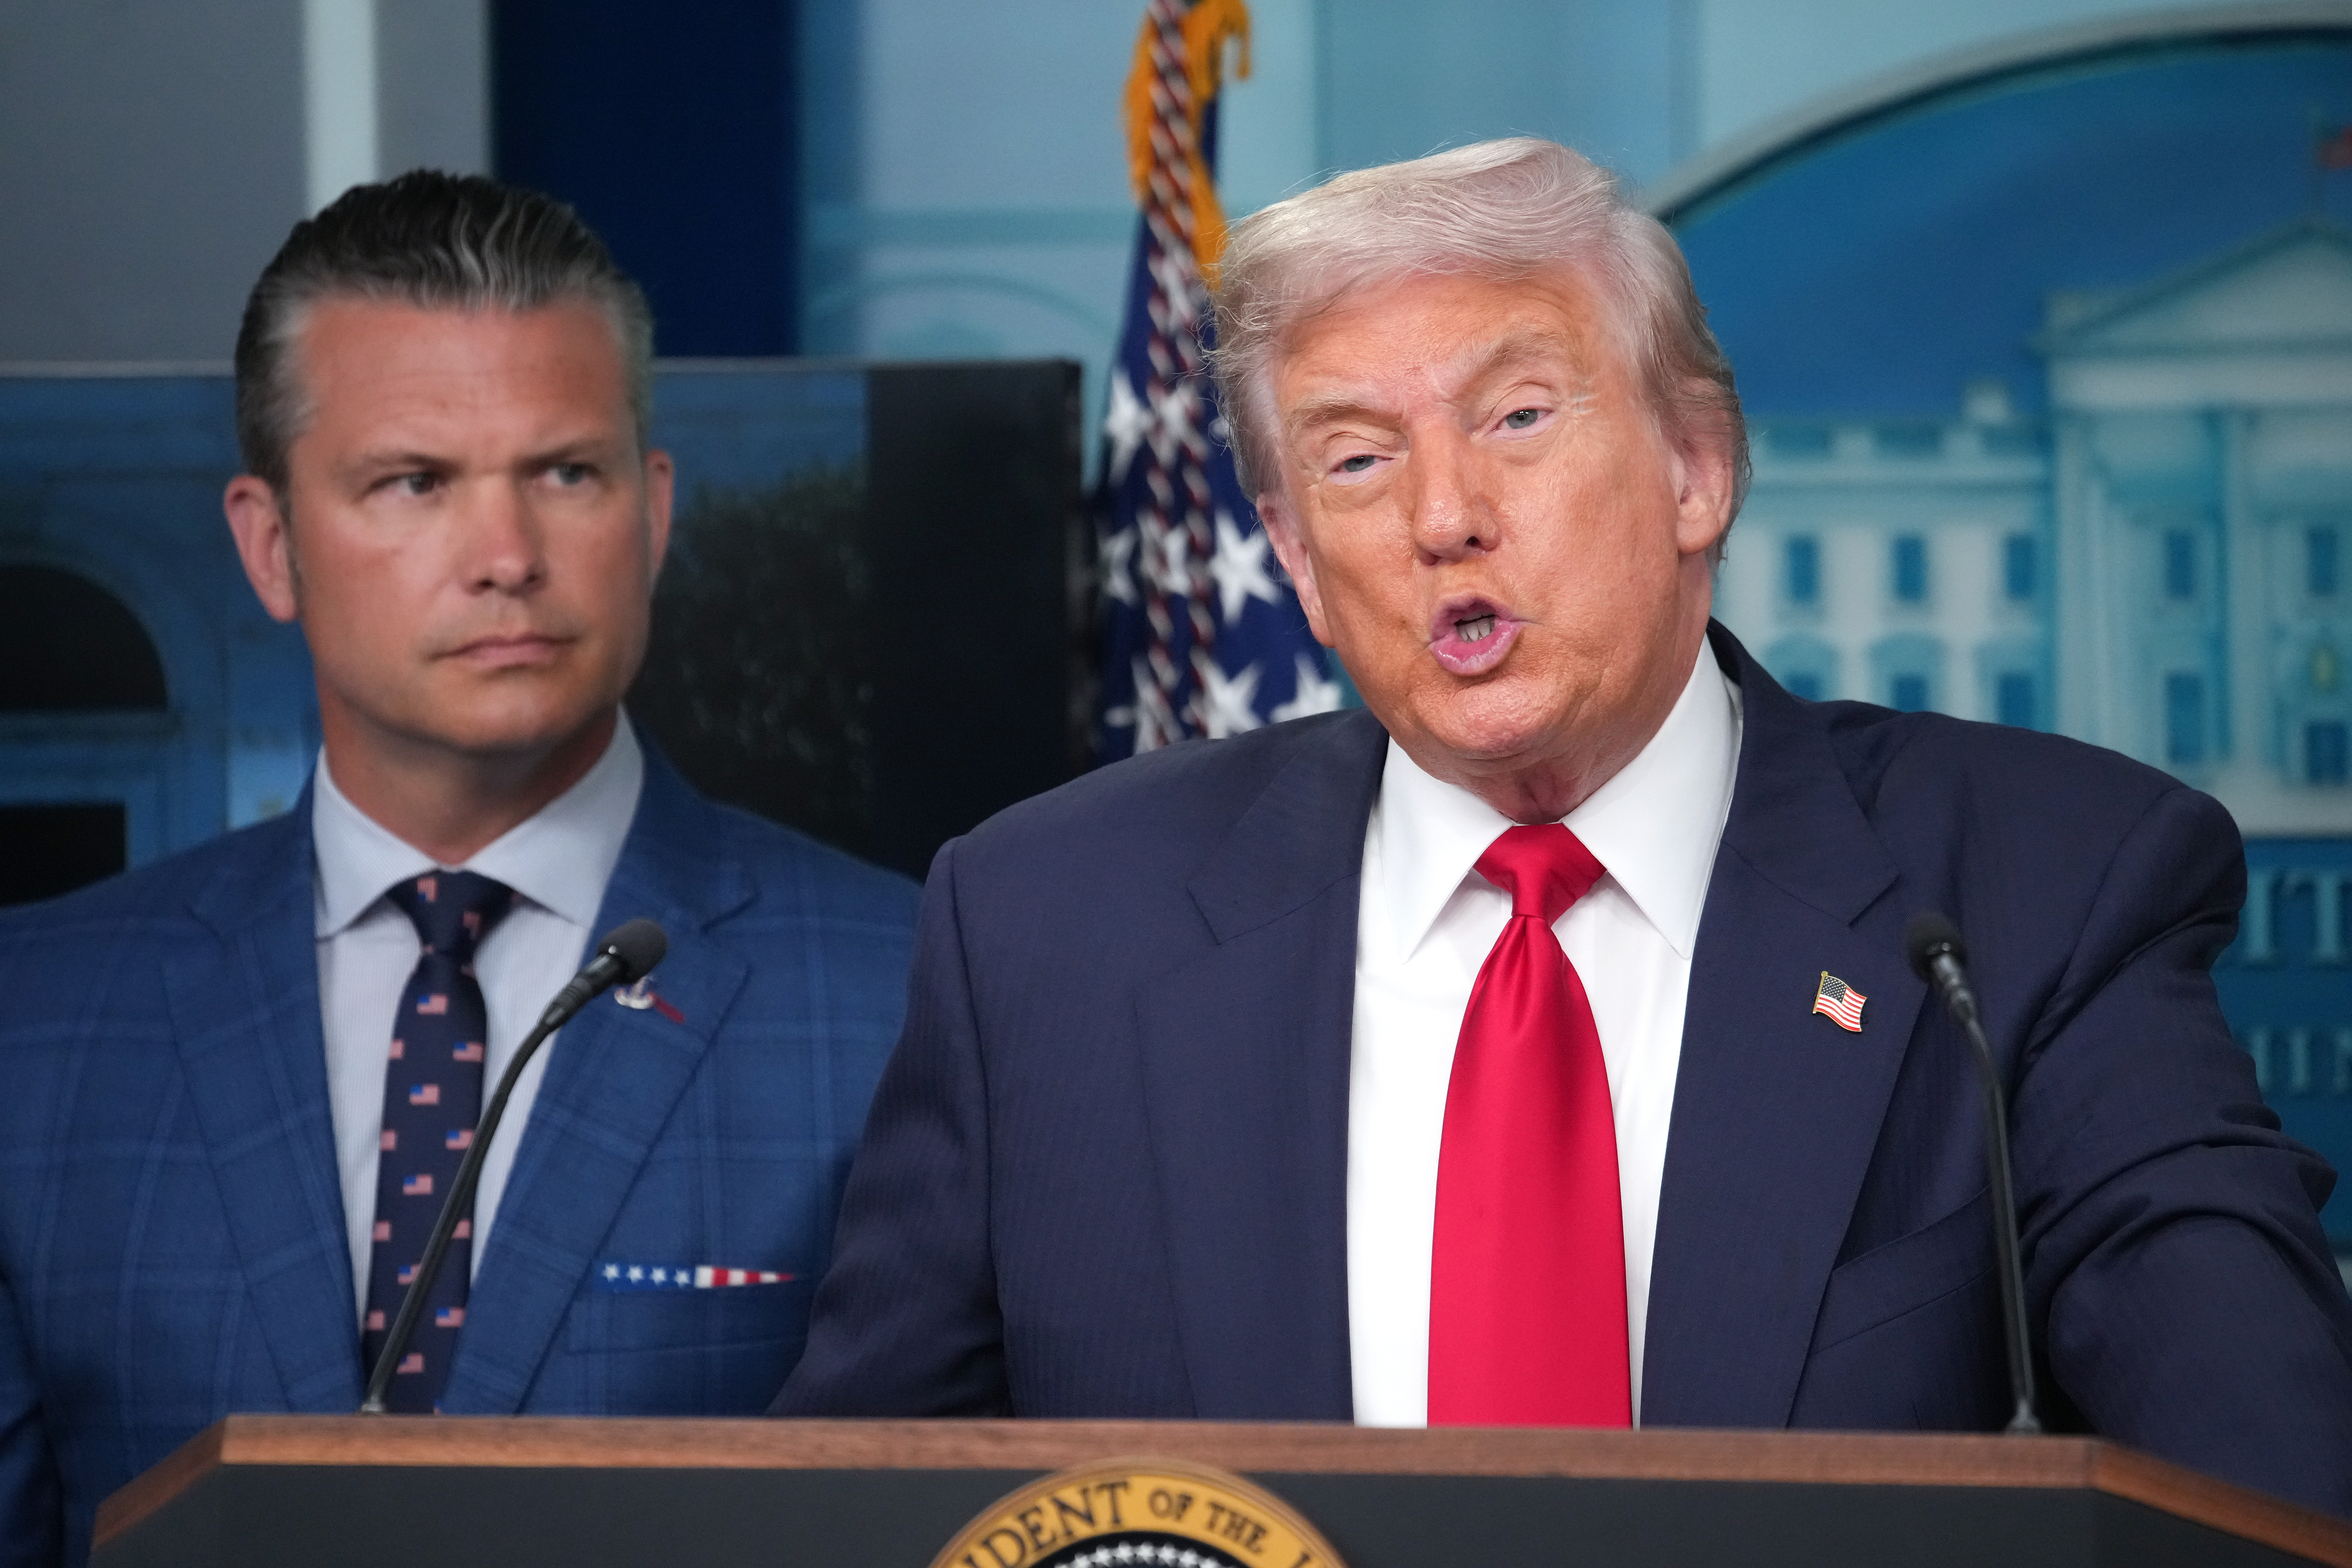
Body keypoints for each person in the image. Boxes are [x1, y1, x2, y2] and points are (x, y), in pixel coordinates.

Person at [777, 139, 2352, 1517]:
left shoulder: (2041, 892)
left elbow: (2262, 1482)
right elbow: (850, 1513)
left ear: (1697, 468)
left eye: (1519, 417)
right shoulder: (1049, 929)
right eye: (1356, 460)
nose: (1442, 515)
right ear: (1301, 564)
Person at [0, 172, 918, 1566]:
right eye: (415, 483)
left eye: (566, 475)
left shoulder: (912, 994)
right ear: (270, 546)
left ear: (653, 513)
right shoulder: (35, 1020)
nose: (506, 558)